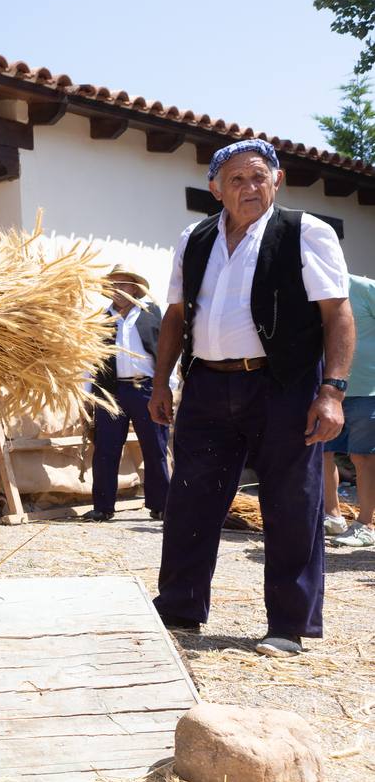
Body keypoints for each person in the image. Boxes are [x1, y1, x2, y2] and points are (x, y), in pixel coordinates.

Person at [149, 139, 353, 657]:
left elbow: (337, 314)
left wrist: (332, 391)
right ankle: (178, 608)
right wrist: (160, 383)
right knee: (190, 499)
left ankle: (290, 625)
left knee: (290, 501)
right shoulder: (193, 239)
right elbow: (175, 317)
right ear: (216, 189)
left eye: (259, 176)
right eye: (236, 179)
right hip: (207, 385)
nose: (249, 187)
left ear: (277, 181)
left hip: (281, 385)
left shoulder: (305, 232)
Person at [82, 266, 170, 522]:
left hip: (146, 389)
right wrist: (89, 395)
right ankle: (103, 507)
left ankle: (161, 504)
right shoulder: (101, 319)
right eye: (113, 285)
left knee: (155, 447)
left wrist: (168, 387)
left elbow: (166, 352)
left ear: (135, 288)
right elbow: (91, 360)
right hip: (111, 391)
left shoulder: (151, 314)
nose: (118, 290)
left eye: (124, 285)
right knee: (106, 449)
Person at [324, 273, 375, 548]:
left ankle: (365, 524)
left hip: (368, 390)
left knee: (362, 457)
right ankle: (332, 516)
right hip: (328, 391)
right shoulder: (311, 292)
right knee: (322, 452)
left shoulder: (365, 288)